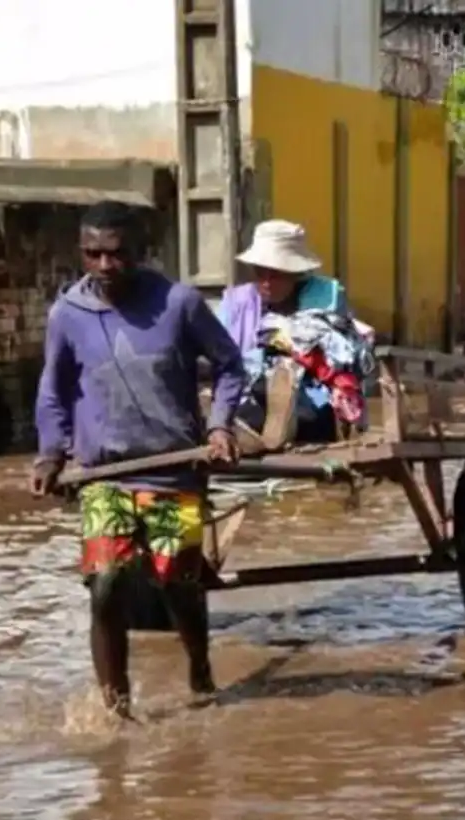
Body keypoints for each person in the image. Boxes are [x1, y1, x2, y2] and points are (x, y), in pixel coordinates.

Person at [29, 201, 246, 720]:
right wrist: (50, 453)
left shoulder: (179, 304)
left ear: (140, 252)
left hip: (174, 471)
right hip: (105, 476)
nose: (105, 266)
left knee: (177, 580)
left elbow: (230, 365)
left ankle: (198, 666)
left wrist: (219, 425)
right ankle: (115, 707)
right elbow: (52, 392)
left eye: (117, 254)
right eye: (93, 254)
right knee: (105, 582)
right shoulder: (67, 315)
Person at [217, 220, 373, 447]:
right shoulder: (236, 303)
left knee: (298, 404)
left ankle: (279, 422)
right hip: (249, 396)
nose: (267, 283)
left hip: (314, 401)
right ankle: (264, 427)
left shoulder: (325, 299)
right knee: (248, 398)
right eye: (261, 273)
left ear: (295, 273)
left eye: (276, 275)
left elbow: (346, 353)